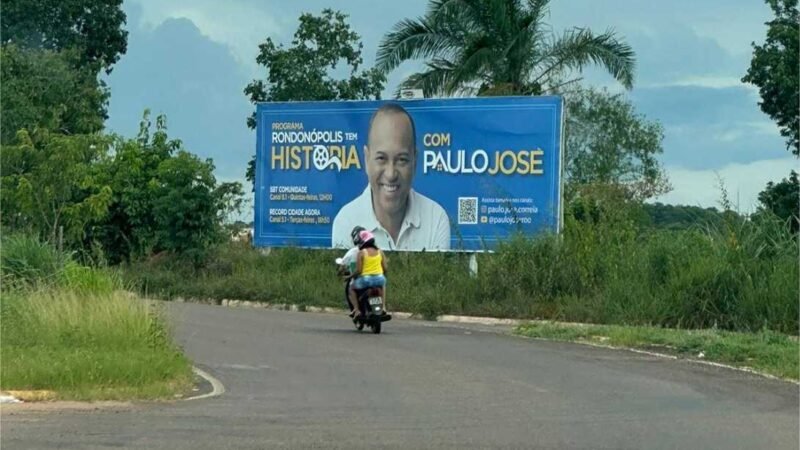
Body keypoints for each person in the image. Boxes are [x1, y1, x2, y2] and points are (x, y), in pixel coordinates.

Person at [332, 103, 451, 251]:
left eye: (401, 159)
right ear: (366, 159)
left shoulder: (436, 219)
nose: (390, 174)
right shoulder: (346, 222)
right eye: (381, 158)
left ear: (415, 161)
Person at [349, 230, 388, 318]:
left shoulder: (362, 253)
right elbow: (385, 268)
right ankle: (383, 308)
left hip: (365, 280)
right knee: (383, 285)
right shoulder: (380, 252)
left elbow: (358, 270)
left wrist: (350, 276)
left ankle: (356, 310)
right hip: (379, 279)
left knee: (351, 288)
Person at [337, 226, 365, 314]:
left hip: (359, 279)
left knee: (351, 289)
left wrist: (341, 273)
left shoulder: (352, 252)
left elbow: (343, 266)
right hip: (374, 277)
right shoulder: (374, 250)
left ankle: (356, 309)